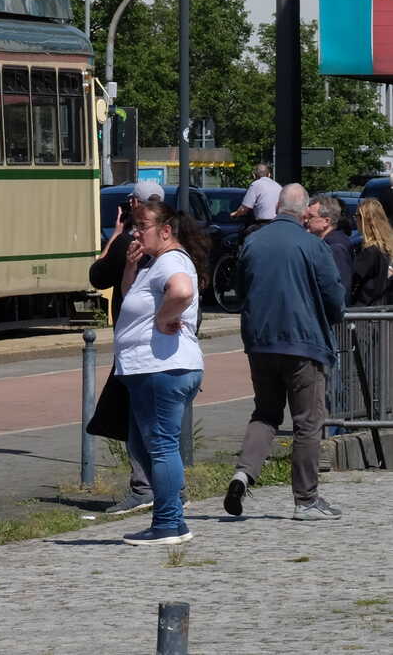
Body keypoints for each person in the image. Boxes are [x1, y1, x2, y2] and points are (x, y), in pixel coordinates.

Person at [225, 183, 345, 521]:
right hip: (302, 343)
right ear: (305, 210)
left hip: (261, 342)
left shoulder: (253, 241)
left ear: (278, 206)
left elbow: (241, 290)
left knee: (265, 413)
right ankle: (305, 499)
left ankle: (243, 474)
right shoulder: (312, 245)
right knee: (308, 422)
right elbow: (333, 296)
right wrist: (332, 319)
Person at [114, 199, 206, 545]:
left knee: (161, 445)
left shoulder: (171, 261)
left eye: (143, 226)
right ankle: (171, 514)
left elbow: (182, 291)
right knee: (143, 444)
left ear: (165, 231)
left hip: (162, 368)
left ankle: (169, 522)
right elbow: (131, 299)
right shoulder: (153, 264)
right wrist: (129, 268)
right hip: (152, 369)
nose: (137, 233)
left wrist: (164, 318)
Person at [87, 178, 165, 514]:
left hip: (135, 344)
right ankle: (168, 487)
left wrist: (114, 238)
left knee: (136, 416)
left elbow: (97, 276)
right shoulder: (177, 244)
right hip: (168, 344)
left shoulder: (127, 244)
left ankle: (143, 486)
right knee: (162, 420)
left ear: (136, 204)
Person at [304, 194, 354, 290]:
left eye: (311, 217)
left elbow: (341, 287)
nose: (306, 220)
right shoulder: (329, 242)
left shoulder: (335, 247)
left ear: (326, 221)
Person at [350, 197, 393, 306]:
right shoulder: (386, 248)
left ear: (365, 220)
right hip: (383, 307)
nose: (355, 220)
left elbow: (354, 279)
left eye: (357, 216)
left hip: (365, 309)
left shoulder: (369, 251)